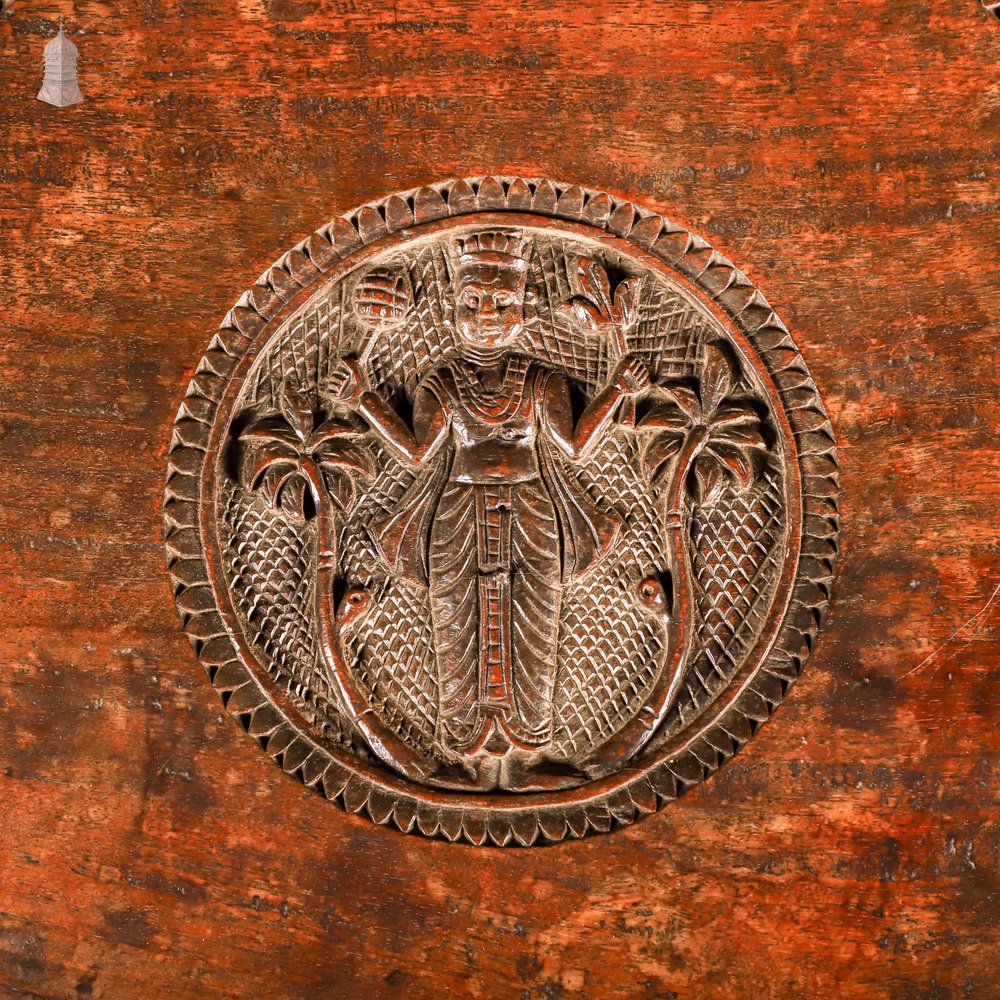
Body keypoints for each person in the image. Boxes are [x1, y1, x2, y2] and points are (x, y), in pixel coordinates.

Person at [333, 230, 649, 757]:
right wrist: (364, 398)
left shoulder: (541, 380)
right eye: (472, 302)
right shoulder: (443, 381)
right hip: (456, 515)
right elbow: (415, 453)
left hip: (532, 513)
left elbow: (573, 447)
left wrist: (617, 389)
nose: (486, 315)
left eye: (501, 303)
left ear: (524, 310)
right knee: (456, 625)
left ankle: (529, 744)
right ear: (453, 309)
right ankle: (462, 744)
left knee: (536, 622)